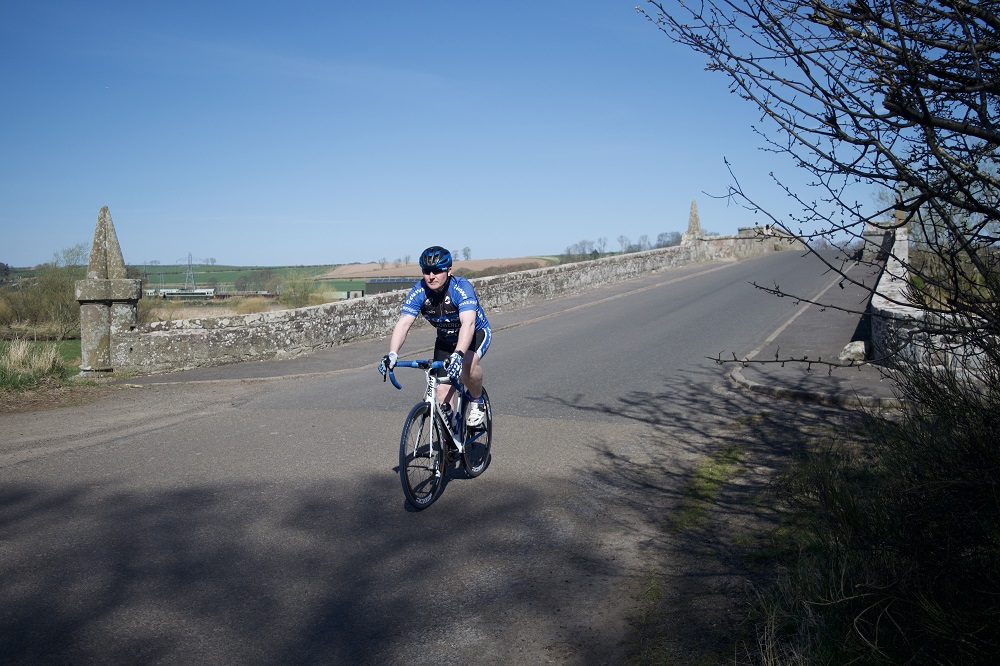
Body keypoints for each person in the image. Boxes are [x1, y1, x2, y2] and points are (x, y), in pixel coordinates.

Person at [378, 246, 491, 427]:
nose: (431, 276)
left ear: (449, 270)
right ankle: (451, 436)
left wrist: (459, 354)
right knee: (442, 394)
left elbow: (468, 324)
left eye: (437, 271)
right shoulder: (419, 291)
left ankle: (477, 401)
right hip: (445, 339)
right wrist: (392, 353)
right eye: (426, 271)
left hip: (475, 333)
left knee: (467, 365)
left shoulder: (461, 288)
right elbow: (404, 322)